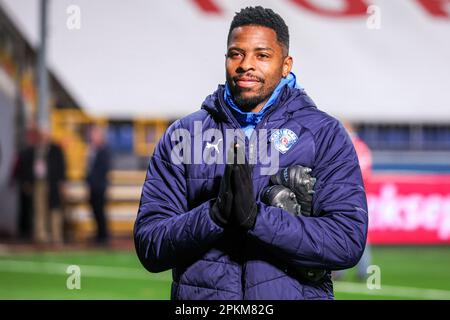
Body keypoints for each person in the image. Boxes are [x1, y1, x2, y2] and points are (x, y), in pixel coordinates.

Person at [134, 6, 368, 300]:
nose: (246, 64)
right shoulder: (183, 135)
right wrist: (214, 216)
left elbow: (346, 243)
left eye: (262, 55)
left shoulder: (325, 135)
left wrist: (257, 218)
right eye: (236, 53)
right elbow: (149, 246)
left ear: (286, 64)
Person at [333, 122, 373, 281]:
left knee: (342, 229)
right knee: (359, 231)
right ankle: (363, 270)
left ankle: (341, 271)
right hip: (361, 194)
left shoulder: (346, 144)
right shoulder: (363, 147)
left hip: (347, 193)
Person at [17, 126, 66, 245]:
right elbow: (27, 166)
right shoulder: (34, 149)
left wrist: (62, 182)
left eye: (46, 134)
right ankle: (41, 236)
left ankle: (56, 236)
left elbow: (61, 167)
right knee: (39, 209)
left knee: (55, 209)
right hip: (39, 182)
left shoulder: (56, 149)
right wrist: (27, 181)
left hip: (53, 183)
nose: (44, 137)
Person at [86, 126, 111, 244]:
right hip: (92, 186)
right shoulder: (92, 151)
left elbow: (102, 170)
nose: (92, 137)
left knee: (100, 211)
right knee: (95, 211)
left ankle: (103, 236)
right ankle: (99, 235)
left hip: (99, 187)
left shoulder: (103, 151)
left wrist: (94, 181)